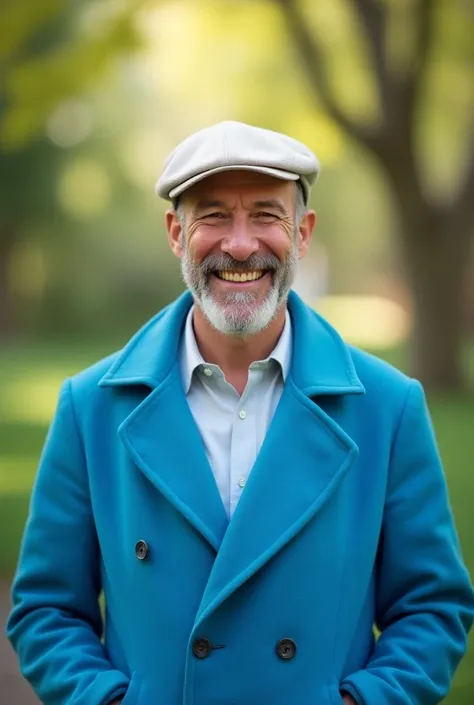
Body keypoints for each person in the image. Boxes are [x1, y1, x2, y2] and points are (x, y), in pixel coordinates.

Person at [6, 120, 474, 705]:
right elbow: (46, 611)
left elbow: (432, 609)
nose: (241, 244)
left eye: (266, 215)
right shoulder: (90, 407)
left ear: (302, 233)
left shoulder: (387, 407)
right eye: (213, 215)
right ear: (176, 233)